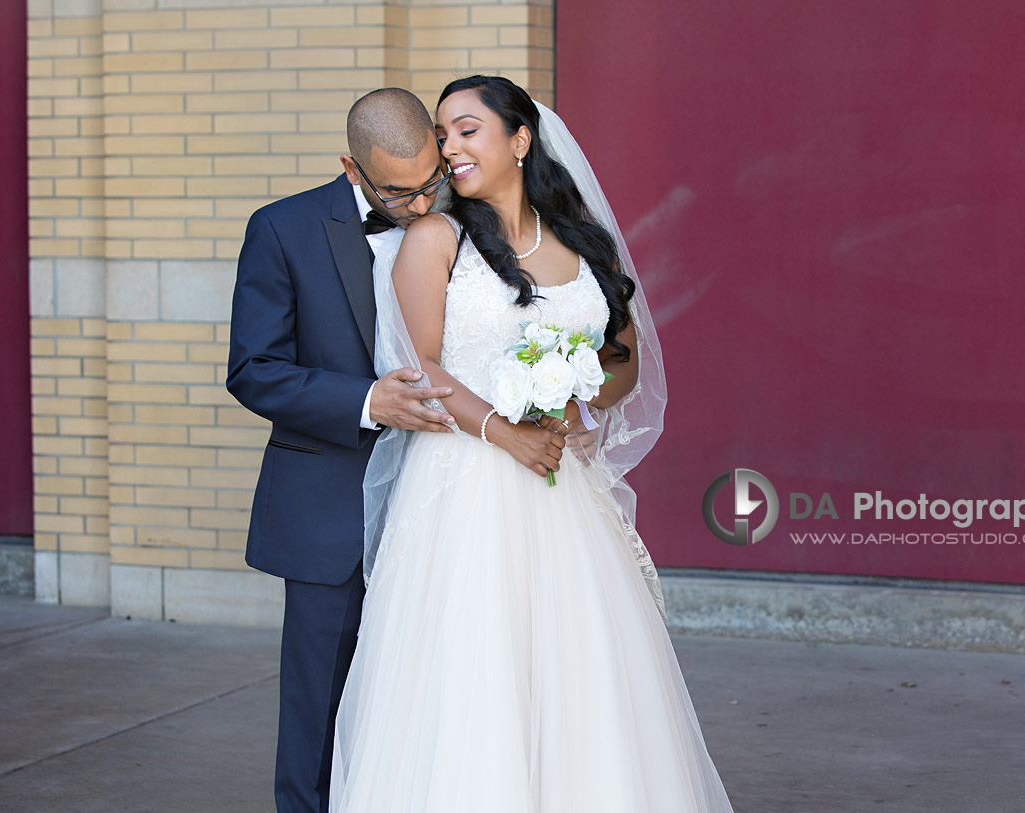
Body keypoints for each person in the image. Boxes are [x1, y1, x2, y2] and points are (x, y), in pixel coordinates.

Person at [329, 76, 736, 811]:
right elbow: (423, 369)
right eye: (443, 134)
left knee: (579, 675)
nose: (449, 146)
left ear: (519, 141)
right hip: (464, 486)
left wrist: (583, 398)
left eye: (466, 130)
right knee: (475, 679)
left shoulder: (580, 241)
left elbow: (621, 359)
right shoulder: (434, 238)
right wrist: (504, 433)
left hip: (560, 489)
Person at [226, 88, 459, 813]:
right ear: (351, 169)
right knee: (318, 697)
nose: (422, 206)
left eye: (432, 182)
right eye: (400, 192)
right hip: (329, 509)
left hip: (446, 496)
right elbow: (253, 368)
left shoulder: (463, 221)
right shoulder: (282, 229)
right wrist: (365, 402)